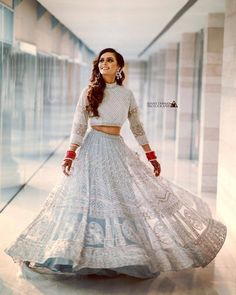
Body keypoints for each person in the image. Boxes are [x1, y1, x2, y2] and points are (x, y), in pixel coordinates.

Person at [4, 48, 227, 280]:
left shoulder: (126, 94)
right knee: (90, 200)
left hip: (116, 148)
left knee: (121, 198)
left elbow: (137, 126)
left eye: (110, 60)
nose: (105, 63)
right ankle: (82, 256)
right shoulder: (89, 92)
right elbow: (78, 124)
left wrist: (151, 155)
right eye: (102, 60)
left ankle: (120, 255)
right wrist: (70, 153)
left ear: (119, 66)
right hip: (93, 149)